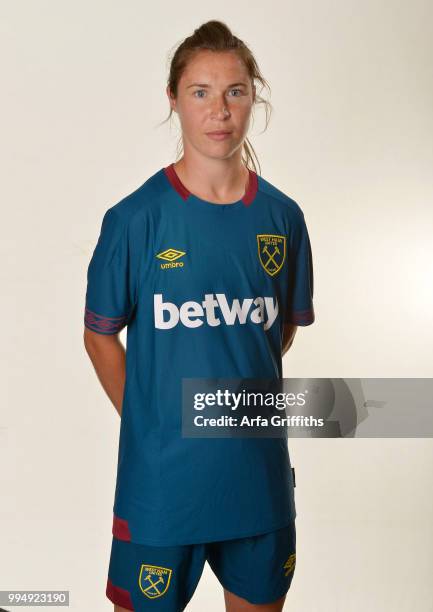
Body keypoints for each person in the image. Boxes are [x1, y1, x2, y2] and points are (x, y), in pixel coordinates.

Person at [83, 19, 315, 612]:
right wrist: (152, 414)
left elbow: (275, 331)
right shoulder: (134, 220)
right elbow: (100, 336)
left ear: (253, 98)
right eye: (201, 92)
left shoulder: (282, 218)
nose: (220, 110)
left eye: (235, 91)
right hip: (163, 485)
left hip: (256, 480)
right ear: (174, 101)